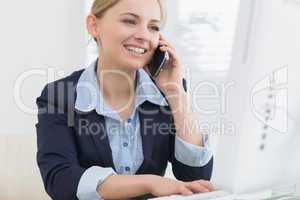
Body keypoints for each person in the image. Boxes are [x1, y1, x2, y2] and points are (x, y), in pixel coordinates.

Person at [35, 0, 215, 199]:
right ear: (94, 26)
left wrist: (177, 95)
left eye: (153, 27)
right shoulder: (58, 96)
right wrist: (151, 183)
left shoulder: (166, 92)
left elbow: (197, 178)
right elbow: (60, 181)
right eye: (130, 21)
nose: (144, 35)